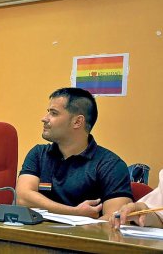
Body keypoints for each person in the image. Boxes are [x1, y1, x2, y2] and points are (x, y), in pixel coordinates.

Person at [16, 87, 132, 219]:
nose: (44, 118)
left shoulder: (110, 165)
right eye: (48, 112)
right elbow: (23, 198)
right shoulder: (38, 153)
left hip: (85, 238)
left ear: (77, 122)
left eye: (53, 113)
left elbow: (116, 218)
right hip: (37, 236)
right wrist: (74, 212)